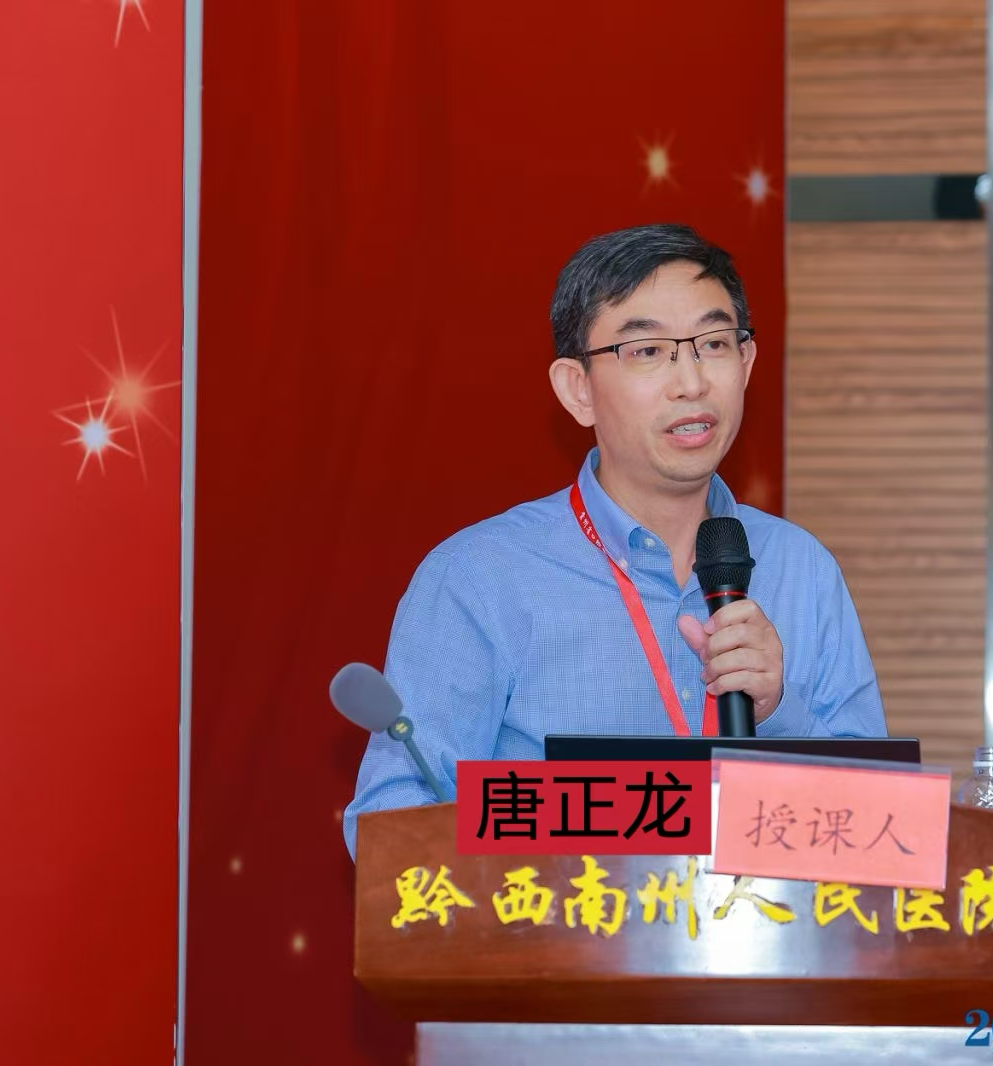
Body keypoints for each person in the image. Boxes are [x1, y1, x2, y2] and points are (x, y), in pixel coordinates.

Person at [343, 223, 886, 858]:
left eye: (714, 344)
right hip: (555, 922)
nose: (691, 382)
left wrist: (778, 711)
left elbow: (880, 828)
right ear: (578, 390)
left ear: (746, 364)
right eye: (648, 351)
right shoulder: (479, 577)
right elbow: (390, 829)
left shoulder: (802, 568)